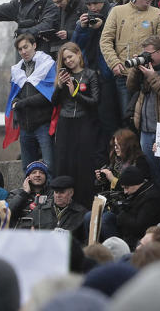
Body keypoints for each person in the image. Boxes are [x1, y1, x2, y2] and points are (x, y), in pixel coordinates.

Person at [99, 0, 160, 117]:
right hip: (124, 75)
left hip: (147, 75)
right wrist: (114, 62)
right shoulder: (117, 11)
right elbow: (105, 40)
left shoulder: (157, 13)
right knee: (127, 116)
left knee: (146, 116)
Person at [125, 36, 160, 200]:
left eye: (149, 53)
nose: (147, 57)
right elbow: (130, 87)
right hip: (145, 130)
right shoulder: (146, 68)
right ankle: (158, 213)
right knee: (154, 174)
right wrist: (136, 69)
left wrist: (152, 76)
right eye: (144, 53)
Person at [72, 0, 119, 163]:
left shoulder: (112, 13)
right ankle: (99, 162)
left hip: (107, 77)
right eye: (89, 4)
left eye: (95, 4)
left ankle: (113, 160)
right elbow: (75, 47)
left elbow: (113, 41)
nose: (92, 8)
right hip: (90, 76)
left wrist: (102, 26)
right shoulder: (83, 19)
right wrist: (81, 28)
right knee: (94, 122)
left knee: (109, 121)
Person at [52, 41, 100, 206]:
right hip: (65, 121)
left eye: (70, 56)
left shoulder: (90, 74)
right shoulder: (63, 75)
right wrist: (59, 86)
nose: (69, 61)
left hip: (83, 120)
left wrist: (75, 94)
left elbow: (94, 101)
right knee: (64, 161)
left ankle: (84, 202)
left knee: (83, 162)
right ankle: (63, 200)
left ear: (78, 54)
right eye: (65, 59)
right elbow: (54, 102)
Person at [6, 32, 57, 170]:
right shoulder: (17, 70)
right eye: (20, 49)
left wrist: (23, 103)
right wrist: (16, 102)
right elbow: (15, 95)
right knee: (27, 168)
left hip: (43, 124)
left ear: (34, 45)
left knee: (49, 166)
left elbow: (49, 95)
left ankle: (51, 192)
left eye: (26, 47)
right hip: (25, 126)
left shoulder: (48, 64)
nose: (23, 51)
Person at [105, 164, 160, 249]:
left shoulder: (151, 198)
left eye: (126, 187)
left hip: (140, 238)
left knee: (107, 219)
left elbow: (140, 226)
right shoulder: (138, 191)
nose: (125, 192)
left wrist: (121, 214)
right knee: (107, 216)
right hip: (131, 233)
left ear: (136, 183)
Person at [8, 160, 52, 228]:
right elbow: (7, 213)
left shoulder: (52, 194)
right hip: (22, 235)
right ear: (27, 177)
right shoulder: (15, 194)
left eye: (41, 172)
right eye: (34, 172)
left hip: (44, 235)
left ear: (46, 177)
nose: (37, 175)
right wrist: (24, 193)